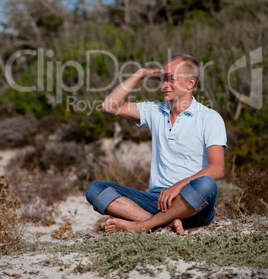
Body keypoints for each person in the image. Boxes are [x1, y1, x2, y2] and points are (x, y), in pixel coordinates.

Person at [86, 53, 227, 235]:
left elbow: (217, 169)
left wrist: (178, 187)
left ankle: (141, 225)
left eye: (171, 80)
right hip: (157, 201)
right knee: (95, 189)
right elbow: (110, 106)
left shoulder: (209, 118)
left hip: (192, 203)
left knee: (207, 185)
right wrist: (139, 74)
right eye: (162, 80)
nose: (164, 86)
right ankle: (163, 224)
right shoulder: (155, 110)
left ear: (190, 83)